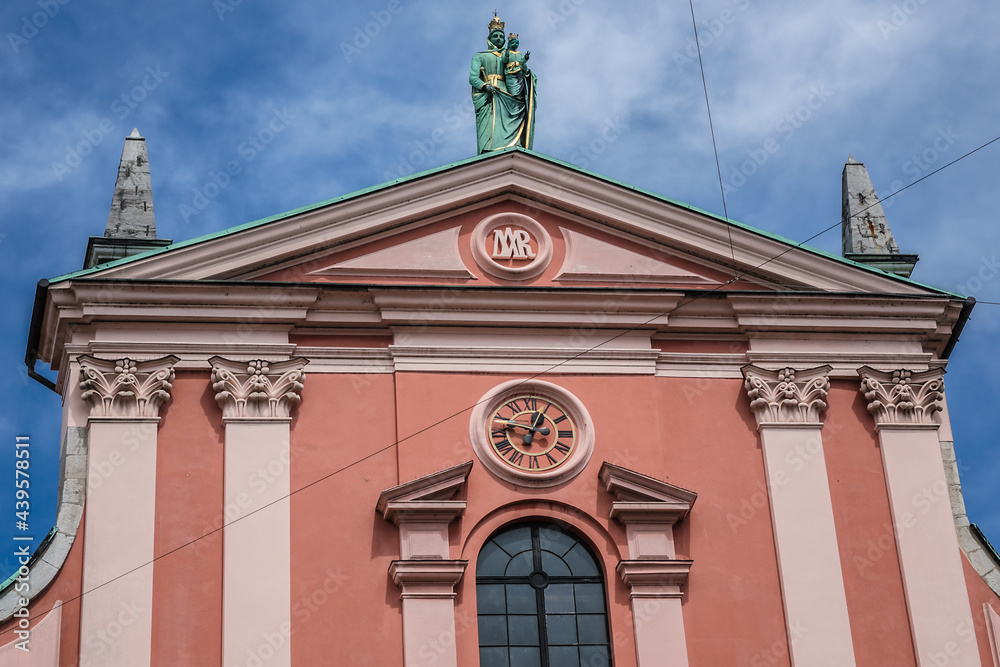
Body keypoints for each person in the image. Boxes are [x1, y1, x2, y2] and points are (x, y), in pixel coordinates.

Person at [469, 16, 537, 153]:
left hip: (509, 95)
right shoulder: (480, 56)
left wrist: (527, 75)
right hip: (489, 95)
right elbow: (472, 78)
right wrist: (484, 86)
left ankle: (513, 150)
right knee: (487, 129)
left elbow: (522, 71)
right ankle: (489, 154)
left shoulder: (510, 55)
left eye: (501, 36)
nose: (499, 38)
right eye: (496, 36)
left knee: (513, 123)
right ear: (489, 39)